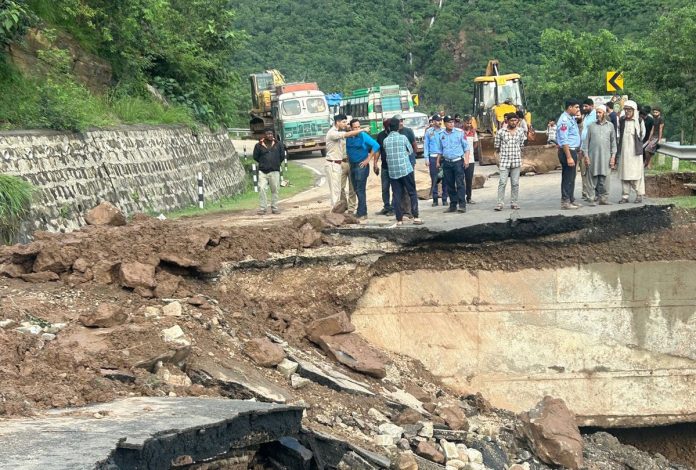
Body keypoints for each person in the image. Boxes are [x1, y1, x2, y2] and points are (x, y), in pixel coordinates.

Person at [383, 117, 423, 226]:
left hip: (393, 172)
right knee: (412, 192)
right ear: (398, 127)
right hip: (405, 169)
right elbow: (410, 150)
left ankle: (399, 220)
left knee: (396, 195)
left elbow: (386, 154)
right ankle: (416, 217)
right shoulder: (403, 138)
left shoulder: (385, 140)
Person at [325, 113, 365, 210]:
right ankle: (334, 213)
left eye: (346, 122)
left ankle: (341, 210)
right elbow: (347, 134)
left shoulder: (338, 131)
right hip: (333, 164)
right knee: (336, 192)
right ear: (337, 122)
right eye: (343, 122)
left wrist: (350, 127)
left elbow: (347, 131)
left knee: (340, 190)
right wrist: (361, 130)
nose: (345, 124)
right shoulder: (333, 133)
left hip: (339, 164)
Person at [581, 105, 617, 206]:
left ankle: (603, 199)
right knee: (592, 179)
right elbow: (586, 143)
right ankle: (591, 199)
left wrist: (613, 157)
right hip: (593, 157)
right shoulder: (591, 126)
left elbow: (613, 143)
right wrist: (586, 156)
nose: (597, 114)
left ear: (604, 113)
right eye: (597, 112)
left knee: (605, 179)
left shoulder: (610, 126)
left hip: (606, 157)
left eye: (600, 112)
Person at [434, 115, 470, 213]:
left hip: (458, 161)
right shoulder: (441, 134)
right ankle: (453, 205)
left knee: (460, 183)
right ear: (445, 123)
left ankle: (462, 205)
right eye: (449, 122)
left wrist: (466, 160)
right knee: (449, 184)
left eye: (452, 122)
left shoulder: (459, 133)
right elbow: (440, 150)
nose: (451, 124)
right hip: (447, 162)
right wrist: (437, 161)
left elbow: (466, 148)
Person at [346, 118, 380, 220]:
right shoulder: (348, 137)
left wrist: (368, 159)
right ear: (351, 128)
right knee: (356, 189)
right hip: (352, 165)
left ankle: (362, 213)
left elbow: (376, 145)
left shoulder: (363, 135)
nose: (357, 129)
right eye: (355, 127)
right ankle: (362, 211)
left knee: (360, 189)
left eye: (359, 127)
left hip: (361, 166)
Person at [616, 100, 646, 203]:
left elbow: (642, 134)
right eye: (626, 109)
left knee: (636, 174)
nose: (627, 112)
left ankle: (639, 195)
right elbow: (618, 133)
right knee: (624, 174)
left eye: (629, 110)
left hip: (635, 153)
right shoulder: (622, 120)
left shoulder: (639, 121)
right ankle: (625, 196)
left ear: (634, 110)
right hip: (624, 152)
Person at [493, 113, 525, 210]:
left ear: (517, 121)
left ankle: (514, 202)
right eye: (511, 120)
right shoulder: (501, 132)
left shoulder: (520, 131)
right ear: (507, 121)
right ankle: (500, 203)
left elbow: (521, 145)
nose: (513, 122)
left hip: (516, 161)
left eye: (515, 120)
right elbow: (497, 146)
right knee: (502, 182)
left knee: (515, 183)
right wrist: (498, 159)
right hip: (504, 161)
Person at [556, 99, 582, 209]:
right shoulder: (564, 120)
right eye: (576, 107)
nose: (578, 109)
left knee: (571, 177)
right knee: (567, 177)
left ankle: (571, 199)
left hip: (572, 150)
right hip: (567, 151)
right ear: (570, 107)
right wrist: (569, 157)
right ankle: (565, 201)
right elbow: (564, 140)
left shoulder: (571, 118)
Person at [253, 128, 285, 215]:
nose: (270, 135)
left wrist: (276, 163)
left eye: (271, 133)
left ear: (273, 134)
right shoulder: (259, 145)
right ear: (264, 135)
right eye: (268, 134)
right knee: (261, 188)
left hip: (274, 171)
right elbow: (255, 157)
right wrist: (264, 163)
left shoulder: (278, 144)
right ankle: (263, 208)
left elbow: (282, 156)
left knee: (275, 190)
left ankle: (275, 208)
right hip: (263, 171)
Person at [423, 114, 447, 206]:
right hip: (433, 157)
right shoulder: (429, 132)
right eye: (437, 120)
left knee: (445, 178)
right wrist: (426, 158)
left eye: (440, 120)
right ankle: (435, 199)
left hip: (443, 157)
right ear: (433, 122)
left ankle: (444, 199)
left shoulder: (444, 131)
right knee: (434, 179)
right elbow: (426, 146)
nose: (439, 122)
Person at [374, 118, 394, 216]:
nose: (388, 127)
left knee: (395, 187)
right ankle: (386, 207)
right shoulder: (380, 135)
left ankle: (393, 208)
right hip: (385, 166)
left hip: (394, 166)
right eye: (386, 126)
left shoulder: (396, 135)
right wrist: (375, 163)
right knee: (385, 188)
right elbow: (378, 150)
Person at [579, 98, 597, 202]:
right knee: (584, 171)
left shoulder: (596, 115)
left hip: (592, 147)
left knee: (592, 171)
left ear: (592, 106)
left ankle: (593, 193)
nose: (584, 108)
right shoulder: (585, 116)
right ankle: (586, 192)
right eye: (583, 106)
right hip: (584, 147)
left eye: (586, 106)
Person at [462, 116, 478, 204]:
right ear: (463, 122)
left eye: (470, 123)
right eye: (467, 123)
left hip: (471, 159)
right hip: (460, 159)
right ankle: (461, 198)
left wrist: (470, 151)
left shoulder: (473, 132)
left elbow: (475, 143)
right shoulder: (460, 132)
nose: (468, 125)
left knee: (469, 179)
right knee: (460, 180)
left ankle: (469, 197)